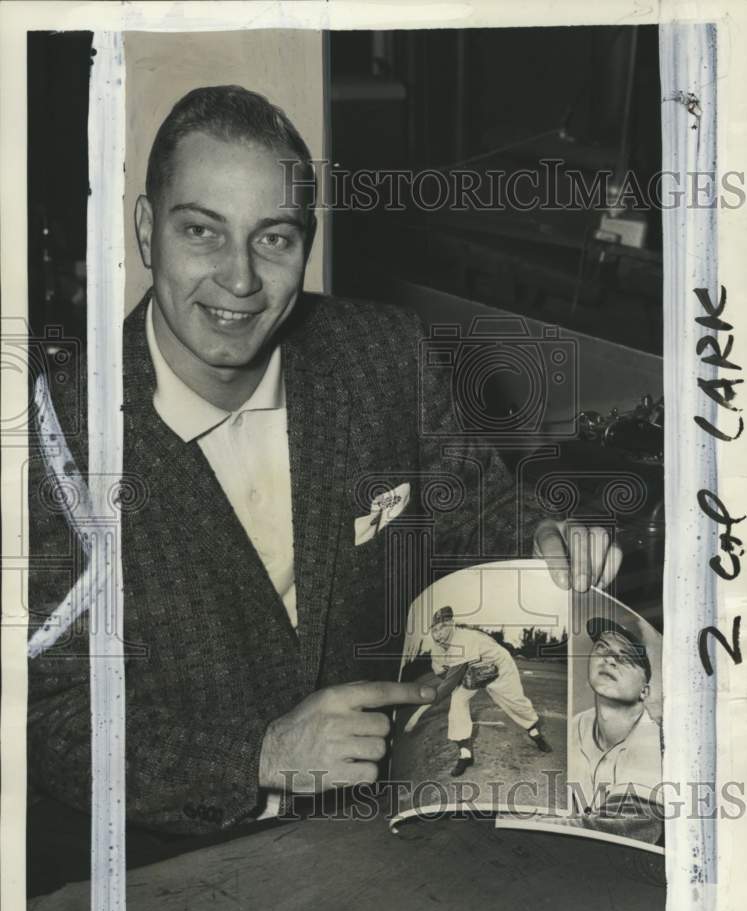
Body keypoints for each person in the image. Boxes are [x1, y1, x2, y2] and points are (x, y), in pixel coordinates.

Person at [27, 85, 621, 835]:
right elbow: (42, 714)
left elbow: (474, 509)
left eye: (272, 237)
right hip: (167, 861)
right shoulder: (56, 435)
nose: (239, 280)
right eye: (202, 232)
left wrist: (543, 538)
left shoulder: (383, 354)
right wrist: (256, 755)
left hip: (384, 825)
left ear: (305, 240)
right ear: (147, 231)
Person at [422, 606, 551, 776]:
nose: (437, 634)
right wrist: (456, 682)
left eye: (442, 628)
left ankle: (535, 733)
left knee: (515, 702)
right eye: (434, 630)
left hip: (498, 666)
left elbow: (450, 680)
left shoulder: (463, 638)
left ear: (451, 625)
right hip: (471, 670)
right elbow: (443, 674)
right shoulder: (437, 650)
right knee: (458, 701)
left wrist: (435, 696)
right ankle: (465, 755)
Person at [568, 616, 663, 842]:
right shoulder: (577, 724)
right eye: (602, 647)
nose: (609, 659)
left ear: (645, 690)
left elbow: (615, 832)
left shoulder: (655, 742)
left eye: (627, 657)